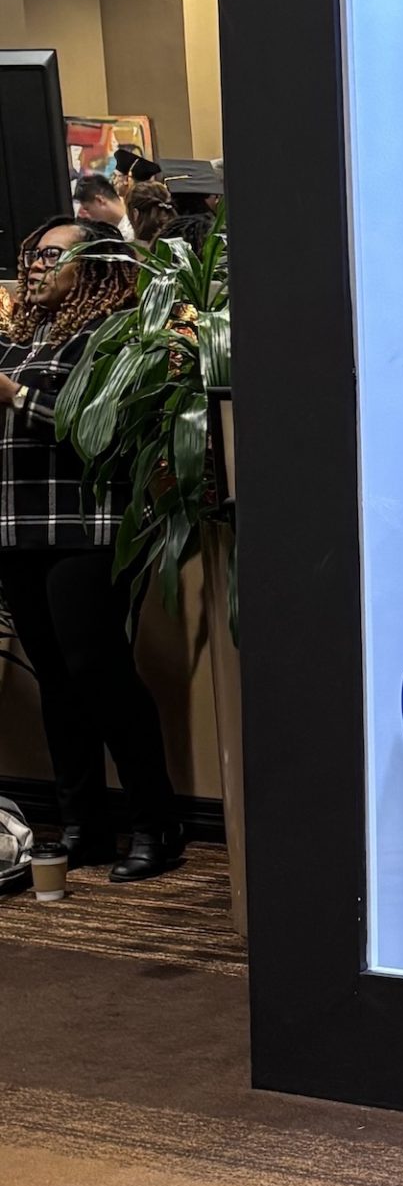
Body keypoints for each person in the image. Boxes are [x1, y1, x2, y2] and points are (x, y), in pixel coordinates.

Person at [0, 219, 183, 880]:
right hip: (17, 529)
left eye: (53, 254)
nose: (39, 266)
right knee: (55, 681)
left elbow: (96, 427)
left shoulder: (113, 337)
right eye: (34, 254)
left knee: (98, 674)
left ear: (96, 263)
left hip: (85, 526)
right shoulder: (22, 341)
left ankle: (157, 826)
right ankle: (85, 826)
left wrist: (14, 395)